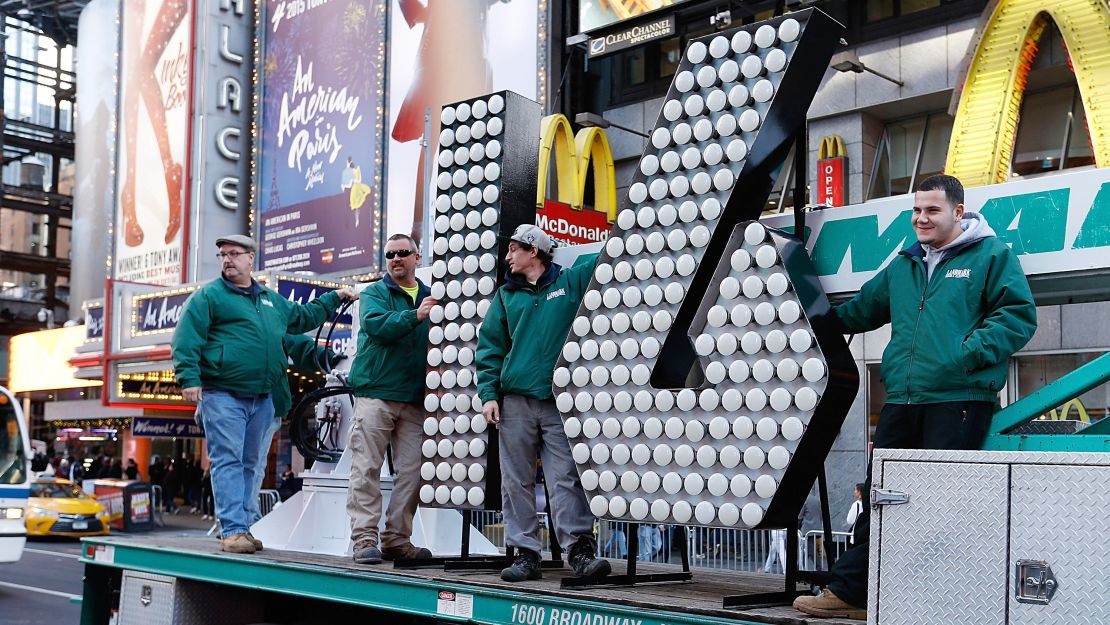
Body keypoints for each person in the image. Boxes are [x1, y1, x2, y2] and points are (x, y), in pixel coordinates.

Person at [793, 174, 1037, 619]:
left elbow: (1018, 316)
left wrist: (966, 354)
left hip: (959, 398)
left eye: (932, 210)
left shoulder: (991, 255)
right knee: (880, 497)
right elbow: (861, 310)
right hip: (903, 398)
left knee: (940, 505)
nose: (921, 219)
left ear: (958, 213)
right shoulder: (904, 263)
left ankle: (929, 599)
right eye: (917, 210)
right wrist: (803, 318)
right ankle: (851, 594)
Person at [172, 234, 355, 554]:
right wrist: (189, 378)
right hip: (222, 393)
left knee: (251, 464)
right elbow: (186, 337)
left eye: (233, 254)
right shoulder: (208, 297)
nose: (227, 259)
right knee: (228, 460)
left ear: (249, 259)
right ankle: (233, 528)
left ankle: (244, 526)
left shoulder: (270, 300)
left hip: (264, 396)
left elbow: (302, 318)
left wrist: (334, 297)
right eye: (222, 255)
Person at [476, 224, 609, 583]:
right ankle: (525, 555)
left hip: (558, 401)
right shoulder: (505, 296)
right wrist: (488, 395)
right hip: (515, 401)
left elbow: (607, 256)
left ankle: (579, 551)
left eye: (514, 249)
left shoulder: (569, 283)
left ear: (533, 250)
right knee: (515, 480)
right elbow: (490, 347)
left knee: (565, 476)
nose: (507, 256)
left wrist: (624, 229)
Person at [346, 234, 438, 565]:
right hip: (376, 393)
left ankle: (397, 538)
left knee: (414, 472)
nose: (396, 258)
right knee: (366, 468)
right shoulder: (374, 293)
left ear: (417, 256)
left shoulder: (433, 296)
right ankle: (364, 539)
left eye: (402, 253)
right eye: (390, 254)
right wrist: (415, 316)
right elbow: (376, 326)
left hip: (414, 398)